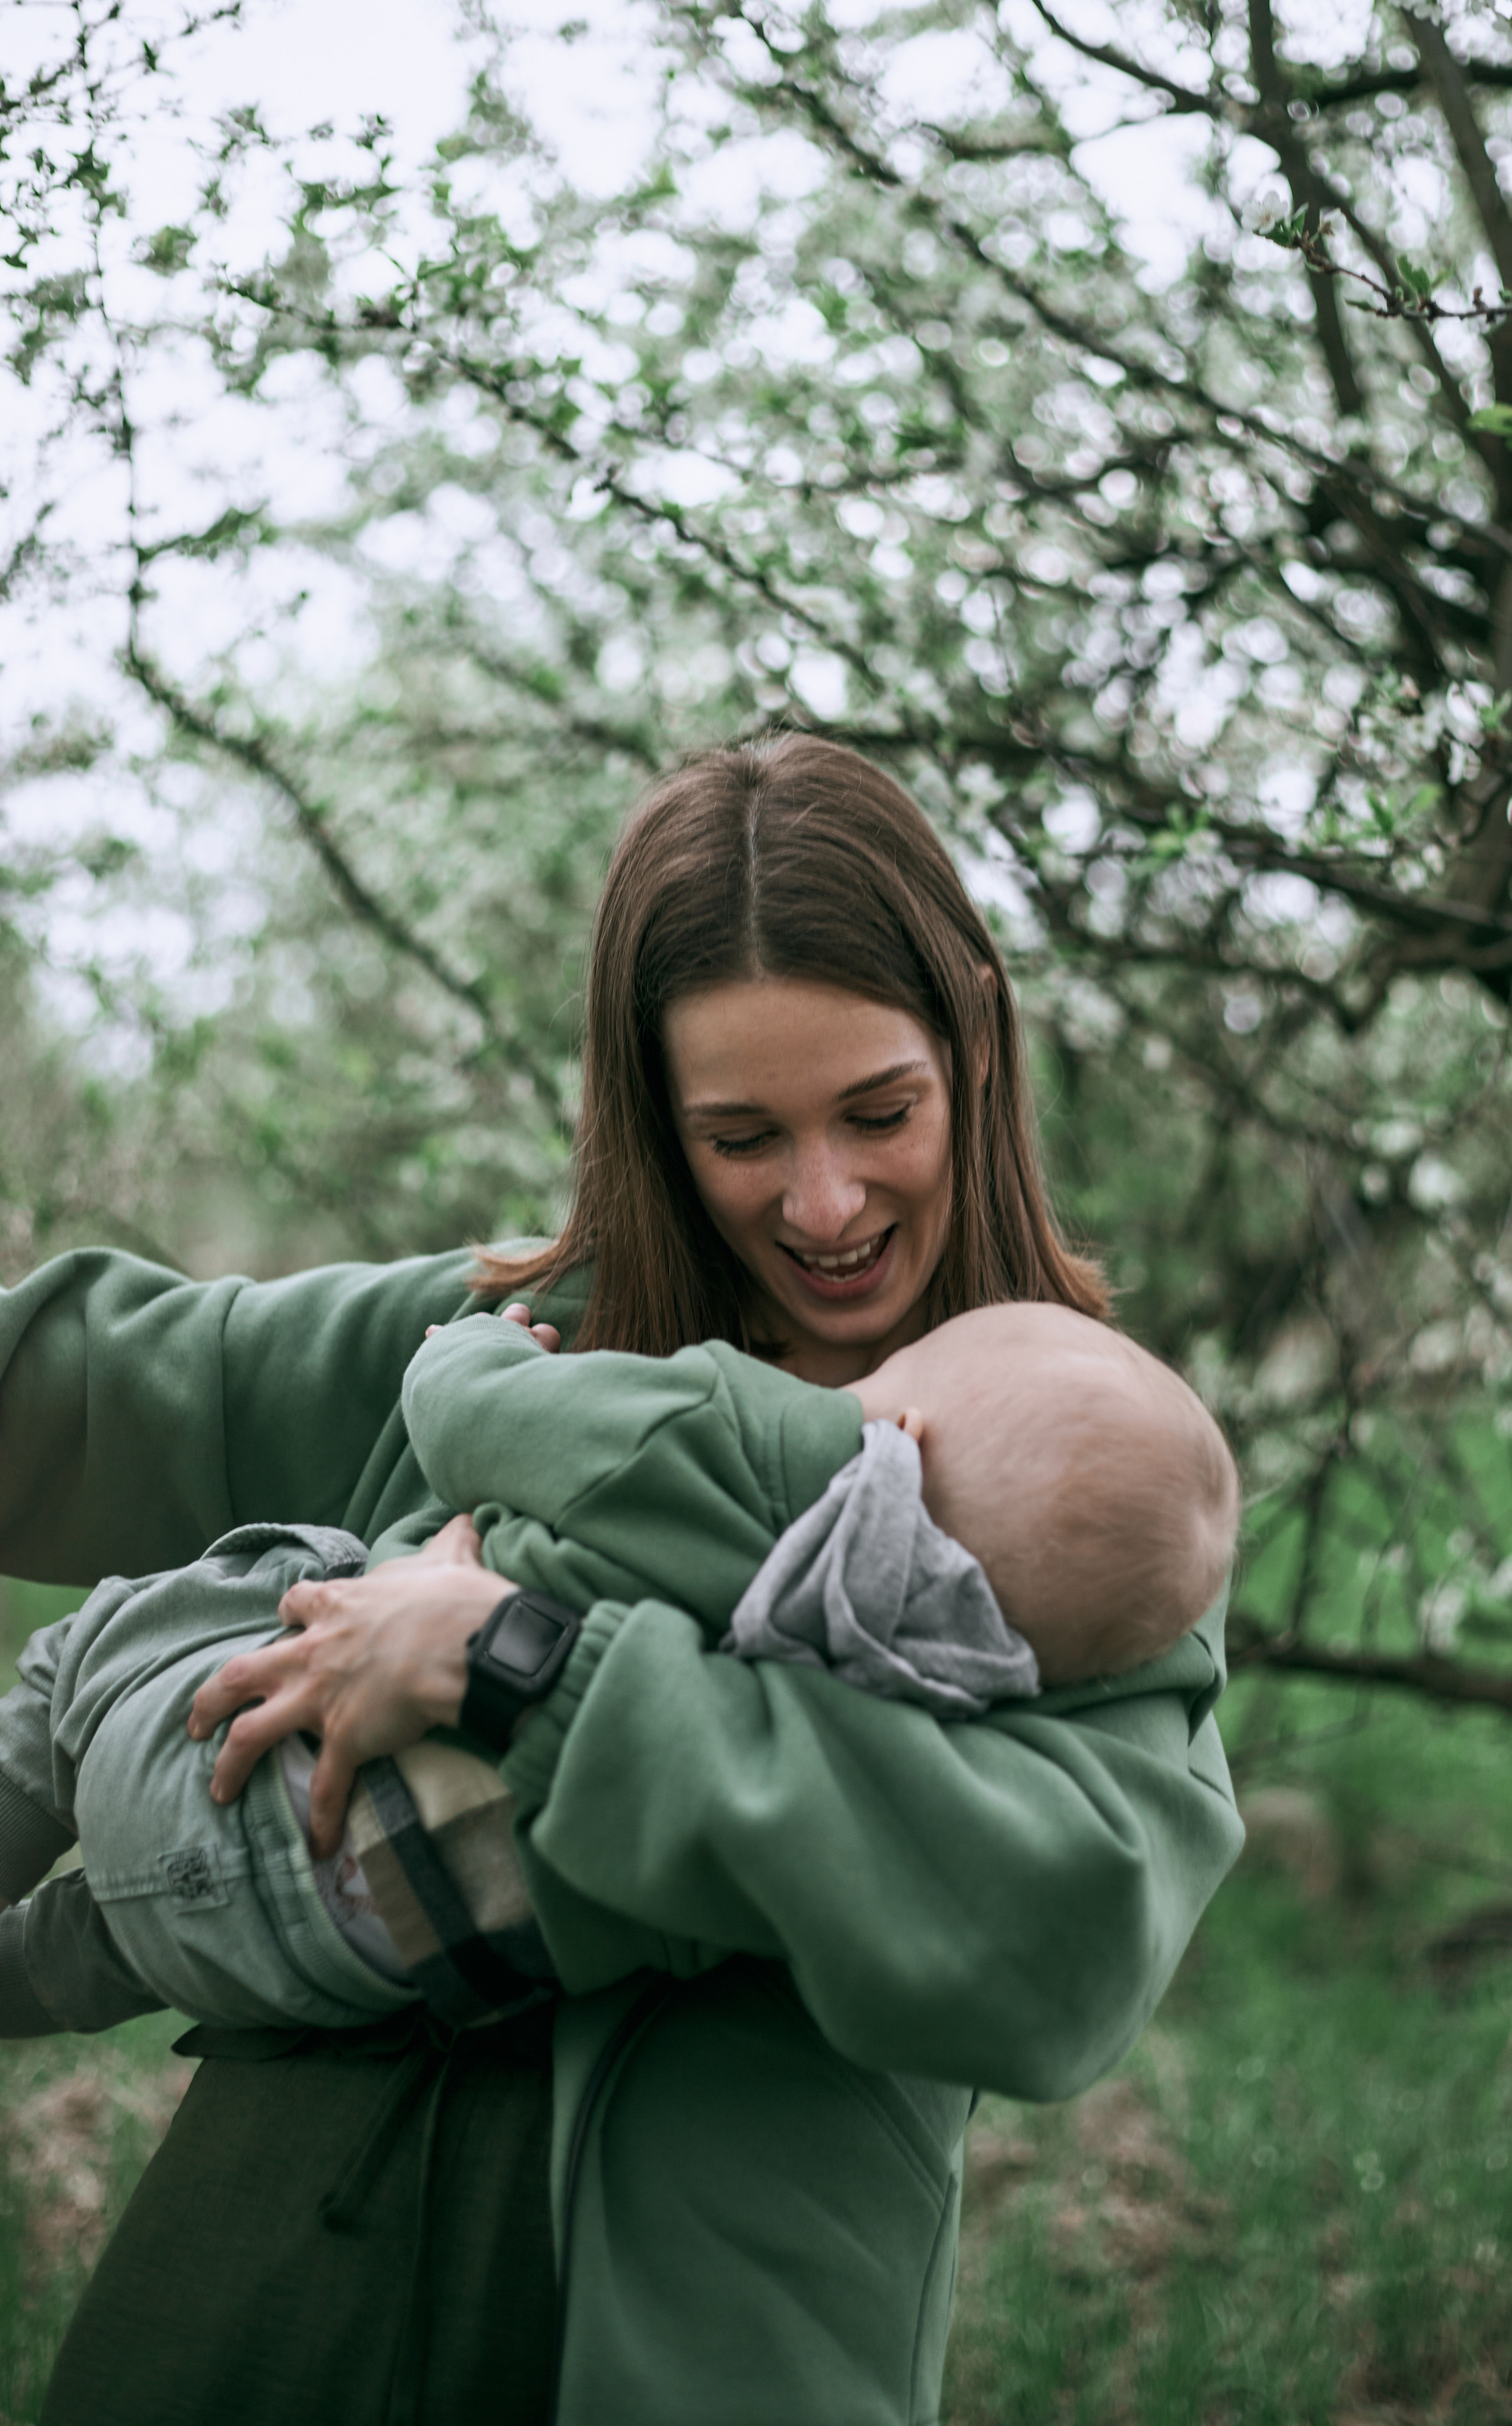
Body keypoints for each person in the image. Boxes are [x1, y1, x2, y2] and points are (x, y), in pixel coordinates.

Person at [1, 733, 1246, 2426]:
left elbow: (1051, 1936)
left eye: (879, 1111)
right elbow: (92, 1380)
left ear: (974, 1037)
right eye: (741, 1136)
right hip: (271, 2289)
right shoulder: (529, 1345)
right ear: (650, 1117)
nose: (824, 1202)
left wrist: (518, 1665)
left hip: (710, 2358)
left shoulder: (1081, 1493)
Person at [0, 1301, 1238, 2038]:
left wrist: (477, 1346)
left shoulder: (740, 1439)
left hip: (249, 1770)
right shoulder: (943, 1714)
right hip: (352, 1958)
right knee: (97, 1941)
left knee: (100, 1653)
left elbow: (467, 1414)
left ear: (899, 1428)